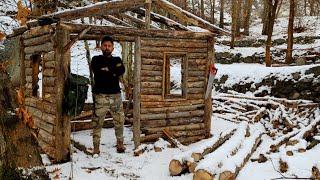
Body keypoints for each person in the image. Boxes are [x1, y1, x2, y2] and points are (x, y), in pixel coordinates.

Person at [91, 35, 126, 156]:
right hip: (101, 95)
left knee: (119, 120)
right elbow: (98, 73)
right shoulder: (96, 59)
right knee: (97, 122)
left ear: (113, 48)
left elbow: (121, 70)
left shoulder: (117, 59)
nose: (107, 47)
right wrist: (113, 71)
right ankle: (96, 147)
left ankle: (120, 143)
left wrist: (107, 70)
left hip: (116, 95)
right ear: (101, 46)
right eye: (105, 45)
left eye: (109, 46)